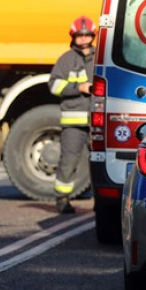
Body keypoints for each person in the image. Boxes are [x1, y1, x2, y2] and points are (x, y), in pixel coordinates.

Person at [48, 15, 96, 214]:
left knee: (98, 161)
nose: (83, 39)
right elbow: (54, 85)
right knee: (68, 160)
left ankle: (100, 202)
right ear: (73, 37)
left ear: (92, 36)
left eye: (87, 35)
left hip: (96, 120)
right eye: (79, 36)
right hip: (73, 120)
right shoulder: (66, 60)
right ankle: (62, 199)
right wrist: (79, 87)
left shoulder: (100, 57)